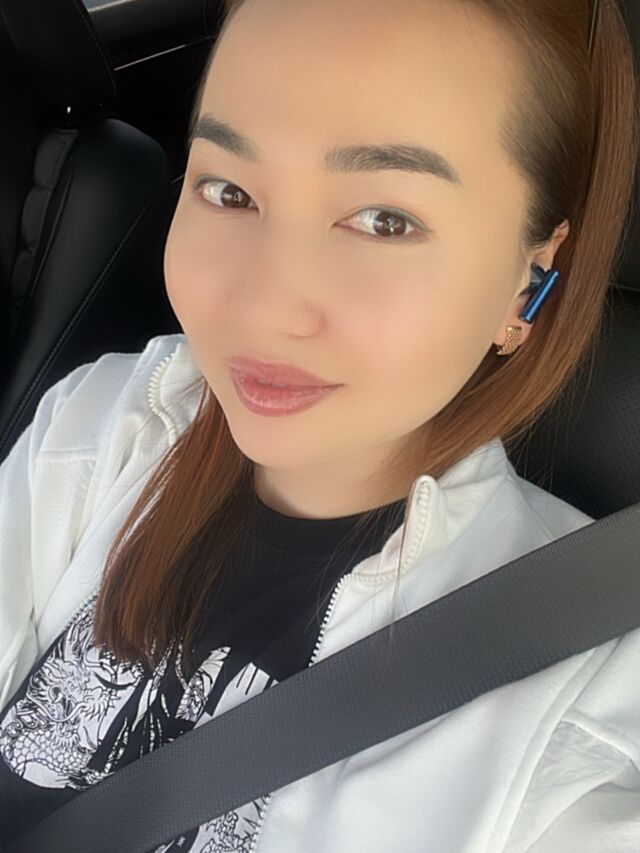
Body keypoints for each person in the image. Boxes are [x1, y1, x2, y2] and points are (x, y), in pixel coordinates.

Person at [0, 0, 639, 850]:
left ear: (530, 280)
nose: (262, 307)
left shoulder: (577, 705)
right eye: (229, 190)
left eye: (385, 220)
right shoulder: (103, 420)